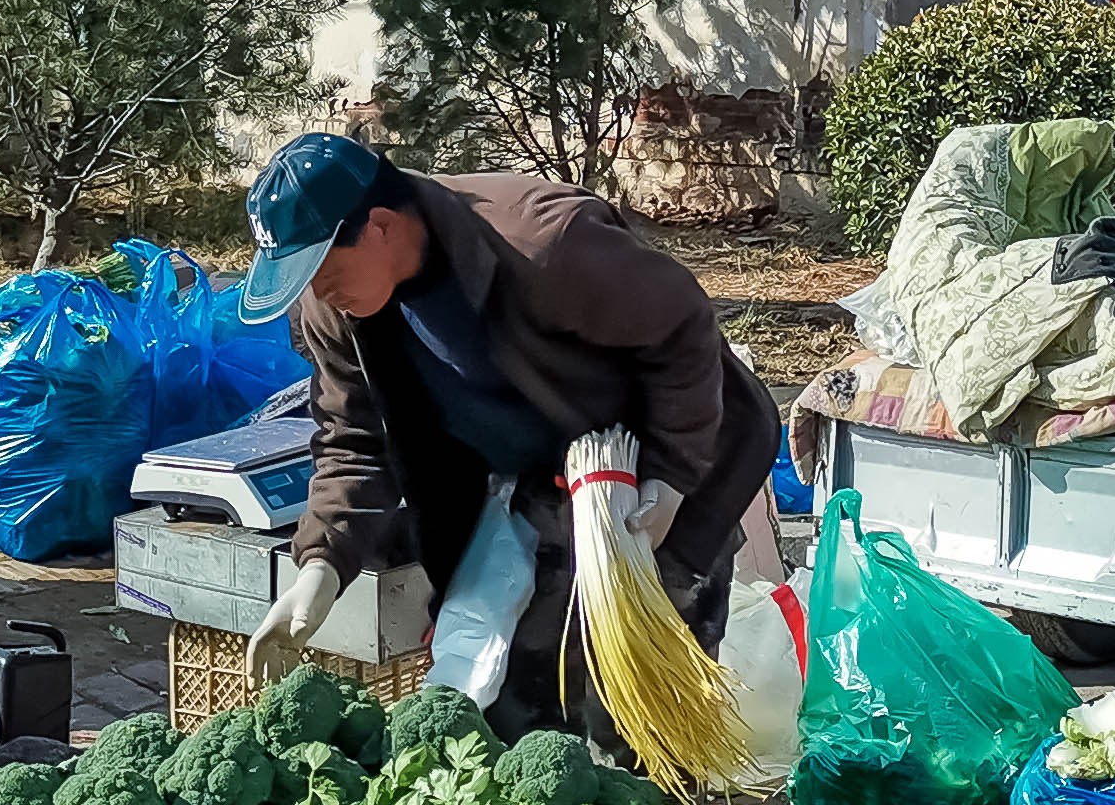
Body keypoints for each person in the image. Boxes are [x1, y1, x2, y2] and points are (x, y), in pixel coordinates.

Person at [235, 133, 778, 738]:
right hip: (535, 481)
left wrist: (671, 475)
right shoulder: (339, 309)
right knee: (516, 714)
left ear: (380, 227)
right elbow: (353, 441)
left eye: (320, 270)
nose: (317, 292)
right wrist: (320, 569)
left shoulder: (545, 243)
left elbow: (683, 332)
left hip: (670, 466)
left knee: (640, 715)